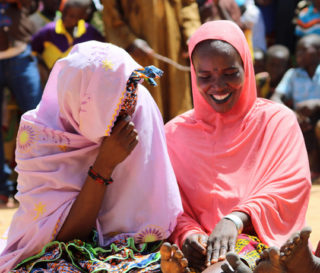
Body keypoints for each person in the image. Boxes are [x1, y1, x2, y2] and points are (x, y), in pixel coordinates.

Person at [0, 40, 183, 272]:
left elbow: (150, 223)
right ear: (81, 99)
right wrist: (103, 166)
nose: (129, 107)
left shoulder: (138, 107)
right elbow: (59, 240)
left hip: (135, 246)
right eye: (114, 101)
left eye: (132, 88)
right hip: (67, 248)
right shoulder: (39, 135)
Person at [165, 20, 311, 273]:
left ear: (247, 67)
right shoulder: (173, 133)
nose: (218, 85)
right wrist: (189, 235)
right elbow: (168, 202)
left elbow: (291, 185)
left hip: (262, 240)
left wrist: (234, 220)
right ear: (193, 74)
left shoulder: (276, 121)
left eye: (230, 73)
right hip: (195, 250)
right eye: (205, 76)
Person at [101, 0, 201, 122]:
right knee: (143, 116)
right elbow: (111, 13)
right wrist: (129, 41)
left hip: (174, 46)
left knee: (178, 108)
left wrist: (191, 34)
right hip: (139, 53)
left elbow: (188, 4)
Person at [0, 0, 42, 206]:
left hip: (21, 56)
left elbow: (34, 4)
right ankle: (2, 189)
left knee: (38, 120)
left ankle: (41, 184)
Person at [271, 34, 320, 178]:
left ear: (318, 52)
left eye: (303, 50)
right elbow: (276, 98)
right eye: (297, 50)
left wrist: (316, 103)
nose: (297, 54)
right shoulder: (292, 74)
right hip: (299, 119)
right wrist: (292, 115)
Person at [31, 0, 105, 84]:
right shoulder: (49, 31)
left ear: (83, 16)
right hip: (48, 81)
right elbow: (33, 50)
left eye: (72, 16)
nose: (66, 18)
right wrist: (44, 68)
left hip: (76, 84)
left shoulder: (90, 32)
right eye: (64, 13)